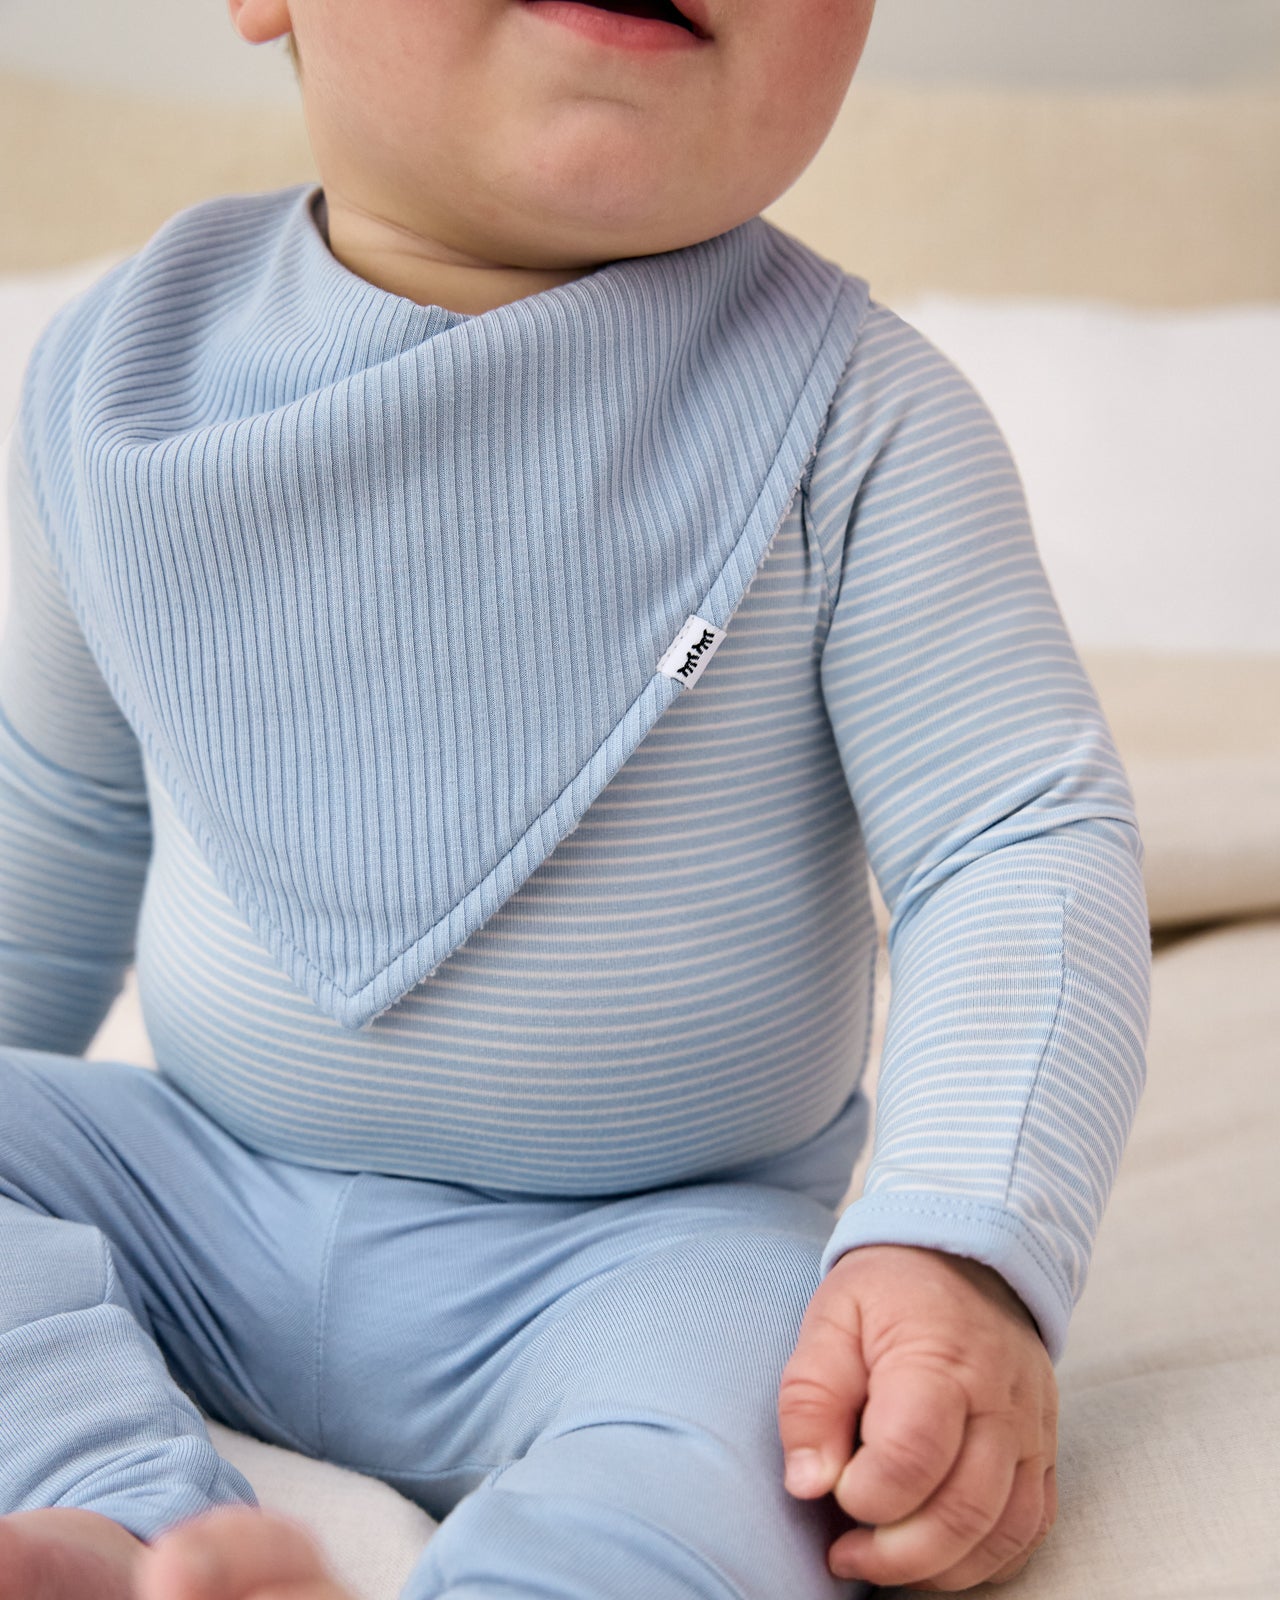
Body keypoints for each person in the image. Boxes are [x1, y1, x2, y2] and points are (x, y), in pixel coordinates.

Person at [0, 1, 1152, 1597]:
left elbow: (1011, 844)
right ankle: (102, 1516)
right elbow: (54, 811)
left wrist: (957, 1244)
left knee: (781, 1442)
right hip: (200, 1192)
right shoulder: (115, 385)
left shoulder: (855, 421)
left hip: (656, 1254)